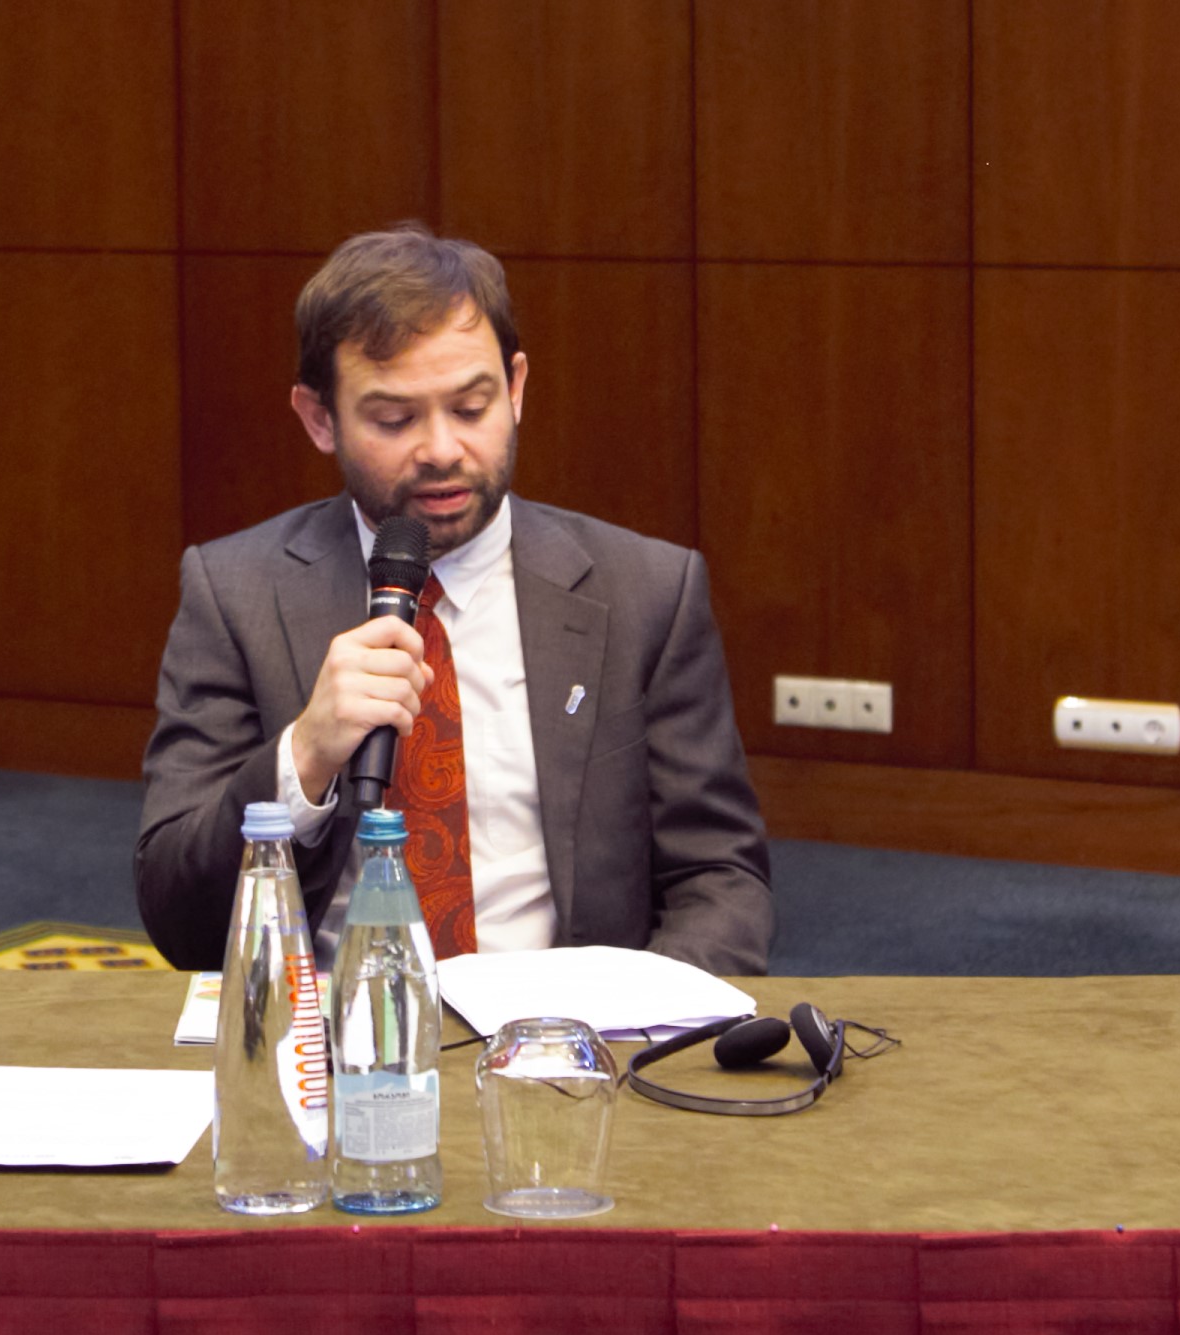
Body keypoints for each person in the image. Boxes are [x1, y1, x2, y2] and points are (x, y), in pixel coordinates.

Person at [138, 225, 772, 975]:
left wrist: (636, 1025)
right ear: (319, 418)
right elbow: (178, 914)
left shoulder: (646, 591)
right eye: (394, 419)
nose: (442, 450)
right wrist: (303, 756)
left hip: (569, 1031)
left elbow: (720, 879)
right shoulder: (235, 593)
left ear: (516, 388)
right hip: (333, 1030)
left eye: (471, 408)